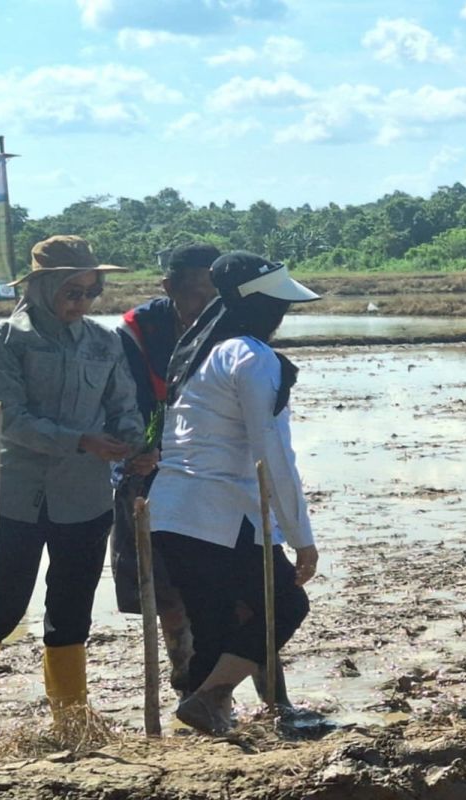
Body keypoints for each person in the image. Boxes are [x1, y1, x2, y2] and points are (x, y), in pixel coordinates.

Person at [148, 251, 319, 734]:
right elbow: (273, 454)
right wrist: (300, 535)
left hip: (172, 514)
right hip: (220, 517)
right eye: (279, 307)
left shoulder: (200, 350)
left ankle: (206, 722)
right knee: (286, 605)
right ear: (261, 307)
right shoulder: (251, 356)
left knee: (213, 628)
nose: (283, 316)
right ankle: (212, 697)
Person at [0, 235, 146, 727]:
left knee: (72, 606)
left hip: (85, 497)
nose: (81, 303)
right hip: (15, 496)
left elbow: (123, 407)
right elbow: (9, 419)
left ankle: (71, 718)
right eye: (71, 292)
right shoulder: (5, 341)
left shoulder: (105, 341)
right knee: (2, 603)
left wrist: (135, 446)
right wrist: (82, 441)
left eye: (90, 292)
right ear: (39, 289)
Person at [110, 242, 219, 697]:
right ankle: (186, 683)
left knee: (221, 587)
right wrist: (143, 448)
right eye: (193, 293)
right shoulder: (137, 332)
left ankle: (229, 685)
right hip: (147, 468)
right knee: (165, 589)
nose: (202, 305)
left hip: (208, 469)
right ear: (168, 287)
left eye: (212, 294)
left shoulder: (227, 326)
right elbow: (124, 402)